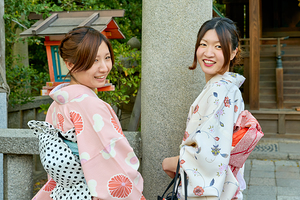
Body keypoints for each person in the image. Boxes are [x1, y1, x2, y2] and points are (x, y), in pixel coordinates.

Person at [28, 26, 145, 200]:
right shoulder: (90, 104)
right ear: (70, 64)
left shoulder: (57, 104)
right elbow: (111, 155)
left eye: (107, 58)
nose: (104, 68)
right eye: (94, 60)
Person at [162, 17, 248, 200]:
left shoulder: (218, 90)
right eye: (203, 44)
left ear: (233, 53)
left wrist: (170, 163)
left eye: (218, 46)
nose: (208, 53)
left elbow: (209, 156)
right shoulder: (229, 88)